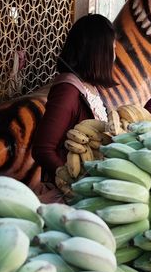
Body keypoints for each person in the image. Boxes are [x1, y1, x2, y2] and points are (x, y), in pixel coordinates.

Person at [32, 14, 117, 182]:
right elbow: (43, 149)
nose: (115, 56)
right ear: (99, 53)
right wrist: (73, 181)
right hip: (71, 194)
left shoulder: (92, 88)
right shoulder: (67, 91)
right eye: (113, 49)